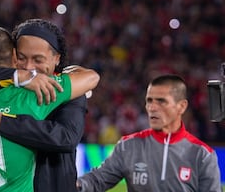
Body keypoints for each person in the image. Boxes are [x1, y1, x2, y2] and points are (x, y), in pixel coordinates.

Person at [0, 26, 99, 191]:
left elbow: (65, 138)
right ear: (13, 57)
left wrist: (3, 121)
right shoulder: (22, 94)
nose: (28, 67)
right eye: (22, 58)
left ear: (56, 58)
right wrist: (16, 77)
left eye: (38, 60)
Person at [76, 74, 222, 192]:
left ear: (181, 106)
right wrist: (76, 185)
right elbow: (97, 180)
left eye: (161, 101)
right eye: (149, 101)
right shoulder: (128, 146)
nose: (152, 108)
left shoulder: (202, 155)